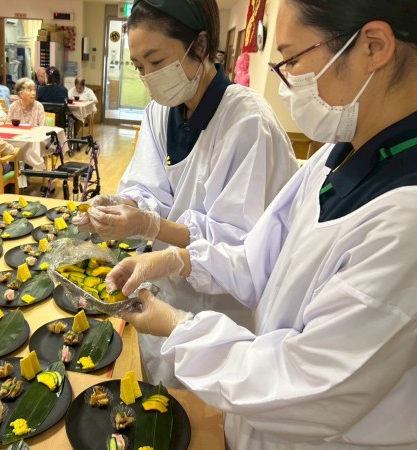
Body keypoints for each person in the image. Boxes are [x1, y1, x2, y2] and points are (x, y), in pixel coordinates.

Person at [106, 1, 417, 448]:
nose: (286, 82)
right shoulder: (334, 157)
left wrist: (179, 327)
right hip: (252, 409)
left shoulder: (404, 220)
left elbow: (310, 388)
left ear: (373, 47)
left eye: (291, 60)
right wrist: (178, 261)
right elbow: (258, 260)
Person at [72, 0, 298, 389]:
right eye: (138, 66)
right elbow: (148, 187)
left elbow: (238, 246)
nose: (148, 77)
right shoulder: (161, 111)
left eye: (156, 61)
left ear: (200, 45)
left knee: (204, 408)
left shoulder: (249, 124)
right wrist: (122, 208)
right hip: (163, 288)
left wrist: (149, 225)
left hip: (221, 310)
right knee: (159, 397)